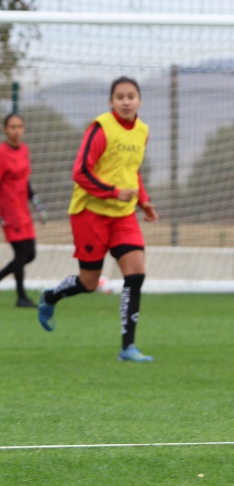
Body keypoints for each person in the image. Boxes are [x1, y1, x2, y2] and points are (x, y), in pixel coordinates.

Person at [38, 76, 157, 362]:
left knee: (136, 274)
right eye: (120, 97)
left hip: (123, 216)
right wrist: (115, 192)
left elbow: (132, 170)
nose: (126, 101)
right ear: (111, 102)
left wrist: (143, 200)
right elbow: (80, 172)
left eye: (131, 96)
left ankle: (128, 347)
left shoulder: (142, 131)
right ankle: (51, 297)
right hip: (90, 214)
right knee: (88, 283)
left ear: (140, 101)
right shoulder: (101, 128)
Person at [0, 113, 47, 308]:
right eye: (12, 127)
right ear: (5, 130)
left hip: (23, 209)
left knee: (30, 254)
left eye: (19, 126)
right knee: (21, 253)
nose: (16, 130)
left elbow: (25, 180)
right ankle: (21, 297)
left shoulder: (24, 150)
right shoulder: (1, 153)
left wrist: (35, 200)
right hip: (9, 210)